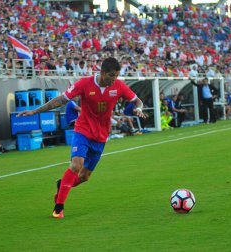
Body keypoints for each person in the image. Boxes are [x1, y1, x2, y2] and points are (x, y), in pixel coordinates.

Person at [17, 57, 146, 218]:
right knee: (76, 165)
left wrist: (138, 109)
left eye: (116, 76)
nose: (114, 79)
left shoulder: (118, 86)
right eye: (111, 75)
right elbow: (60, 100)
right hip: (83, 130)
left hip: (101, 135)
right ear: (103, 72)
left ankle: (62, 184)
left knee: (84, 176)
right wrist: (35, 111)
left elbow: (137, 101)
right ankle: (59, 208)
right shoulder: (84, 83)